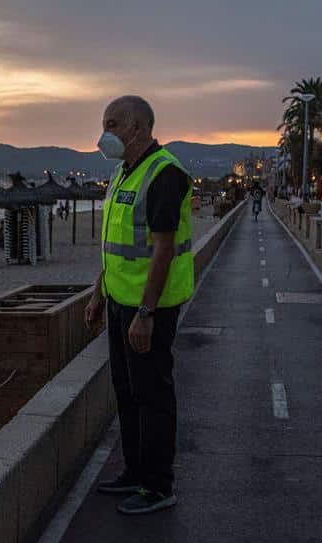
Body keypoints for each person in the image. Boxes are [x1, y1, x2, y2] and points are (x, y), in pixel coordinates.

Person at [85, 95, 193, 515]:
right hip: (119, 302)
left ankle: (157, 486)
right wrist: (98, 295)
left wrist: (146, 314)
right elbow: (116, 247)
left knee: (153, 396)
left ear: (140, 128)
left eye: (112, 125)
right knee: (126, 391)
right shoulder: (121, 173)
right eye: (104, 124)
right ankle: (134, 471)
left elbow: (162, 249)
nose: (104, 134)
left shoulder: (165, 174)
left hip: (150, 308)